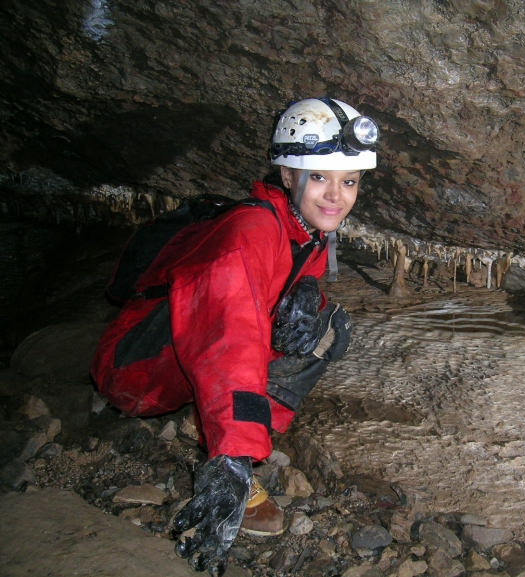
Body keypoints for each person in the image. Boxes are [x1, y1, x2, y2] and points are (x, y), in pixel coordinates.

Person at [91, 97, 379, 576]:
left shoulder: (301, 230)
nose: (336, 196)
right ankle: (233, 451)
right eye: (320, 177)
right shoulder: (250, 232)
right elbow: (230, 339)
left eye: (348, 181)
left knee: (326, 325)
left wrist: (307, 307)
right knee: (290, 335)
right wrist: (233, 459)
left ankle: (236, 432)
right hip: (136, 371)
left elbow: (264, 312)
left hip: (173, 350)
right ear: (287, 176)